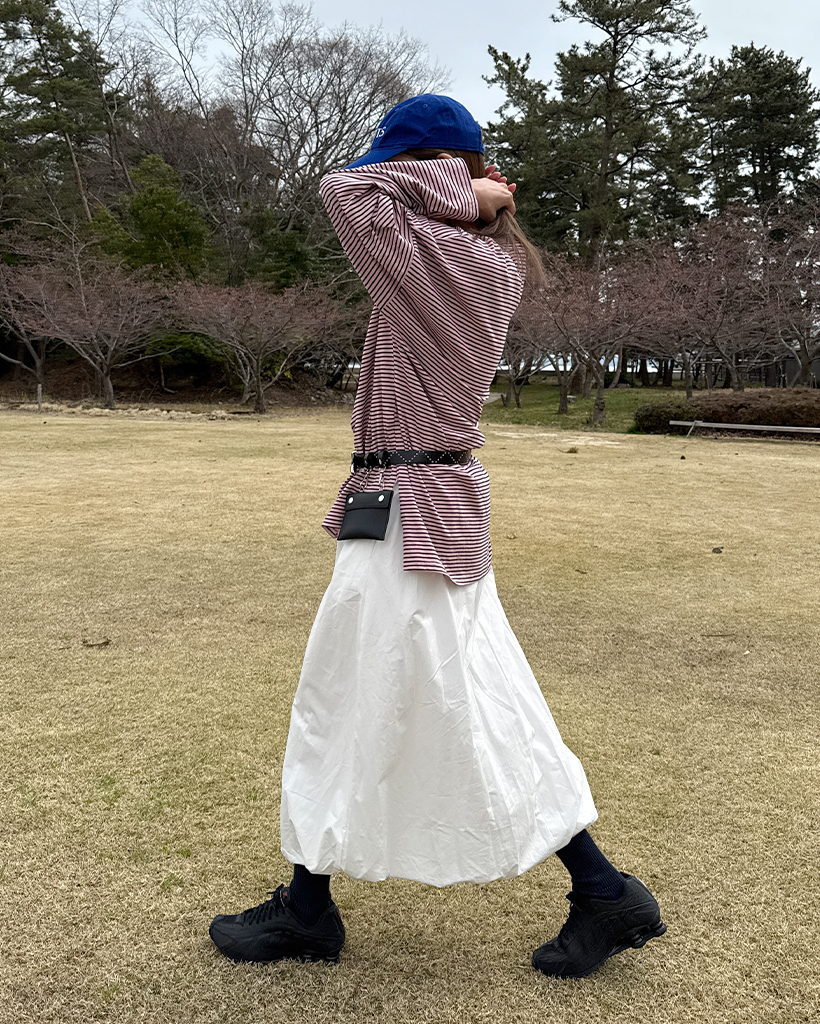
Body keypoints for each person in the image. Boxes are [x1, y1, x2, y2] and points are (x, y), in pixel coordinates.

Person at [208, 94, 666, 980]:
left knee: (368, 700)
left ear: (424, 172)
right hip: (411, 501)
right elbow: (365, 196)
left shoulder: (450, 256)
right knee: (443, 698)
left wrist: (469, 191)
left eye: (400, 164)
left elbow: (343, 191)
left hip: (412, 510)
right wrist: (469, 191)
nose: (384, 178)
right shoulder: (451, 255)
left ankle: (316, 910)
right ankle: (596, 890)